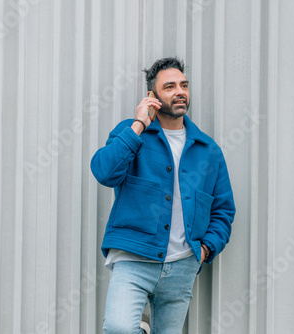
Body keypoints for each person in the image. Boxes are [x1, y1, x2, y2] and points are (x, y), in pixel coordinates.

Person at [91, 57, 236, 334]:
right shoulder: (132, 133)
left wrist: (205, 249)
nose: (179, 91)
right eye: (169, 86)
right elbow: (105, 172)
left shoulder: (207, 149)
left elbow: (223, 209)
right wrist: (138, 124)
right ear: (152, 96)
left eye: (184, 85)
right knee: (119, 329)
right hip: (133, 257)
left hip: (182, 265)